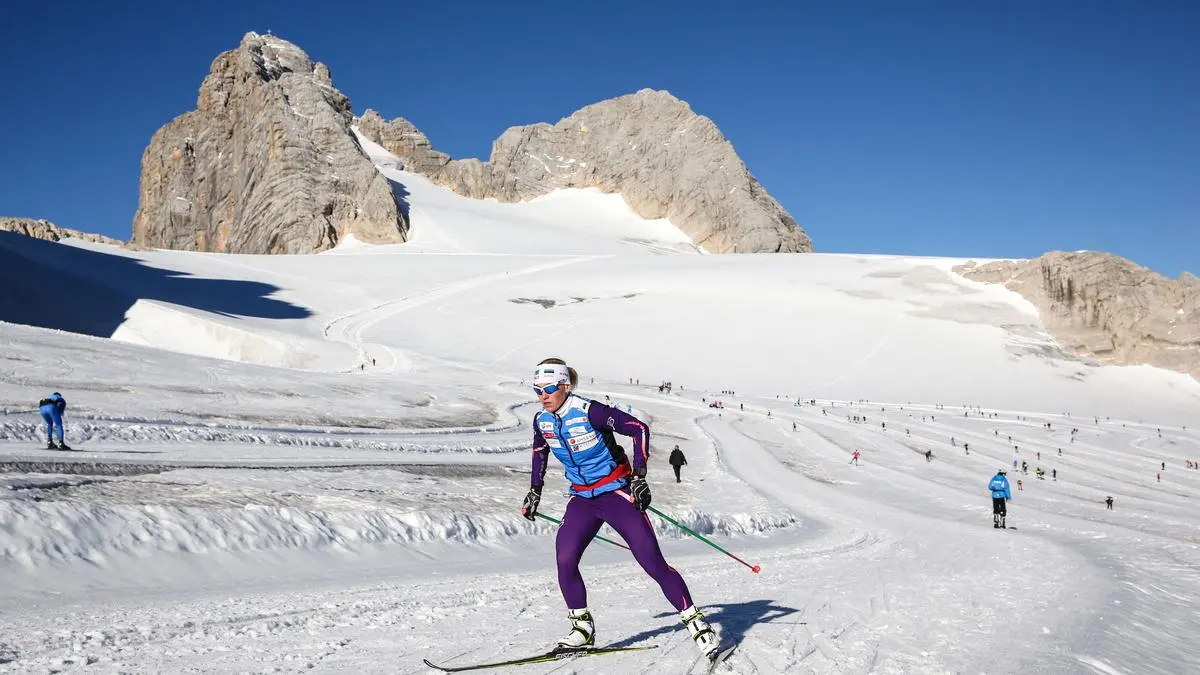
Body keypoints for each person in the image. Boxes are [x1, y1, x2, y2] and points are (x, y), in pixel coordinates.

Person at [520, 358, 719, 657]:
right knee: (565, 558)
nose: (543, 396)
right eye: (538, 390)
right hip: (582, 499)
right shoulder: (542, 421)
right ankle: (582, 629)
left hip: (616, 493)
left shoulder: (591, 411)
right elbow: (539, 451)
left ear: (566, 386)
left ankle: (696, 622)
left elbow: (639, 429)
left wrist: (639, 478)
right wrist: (534, 492)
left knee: (652, 562)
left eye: (548, 389)